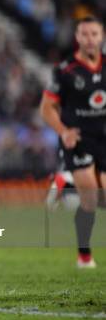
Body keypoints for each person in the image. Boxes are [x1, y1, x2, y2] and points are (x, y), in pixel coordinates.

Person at [40, 15, 106, 269]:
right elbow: (46, 109)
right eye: (85, 34)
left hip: (103, 138)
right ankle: (84, 256)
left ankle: (64, 182)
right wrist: (63, 131)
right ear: (77, 38)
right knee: (89, 198)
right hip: (76, 138)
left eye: (95, 34)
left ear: (101, 38)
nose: (90, 39)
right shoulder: (65, 71)